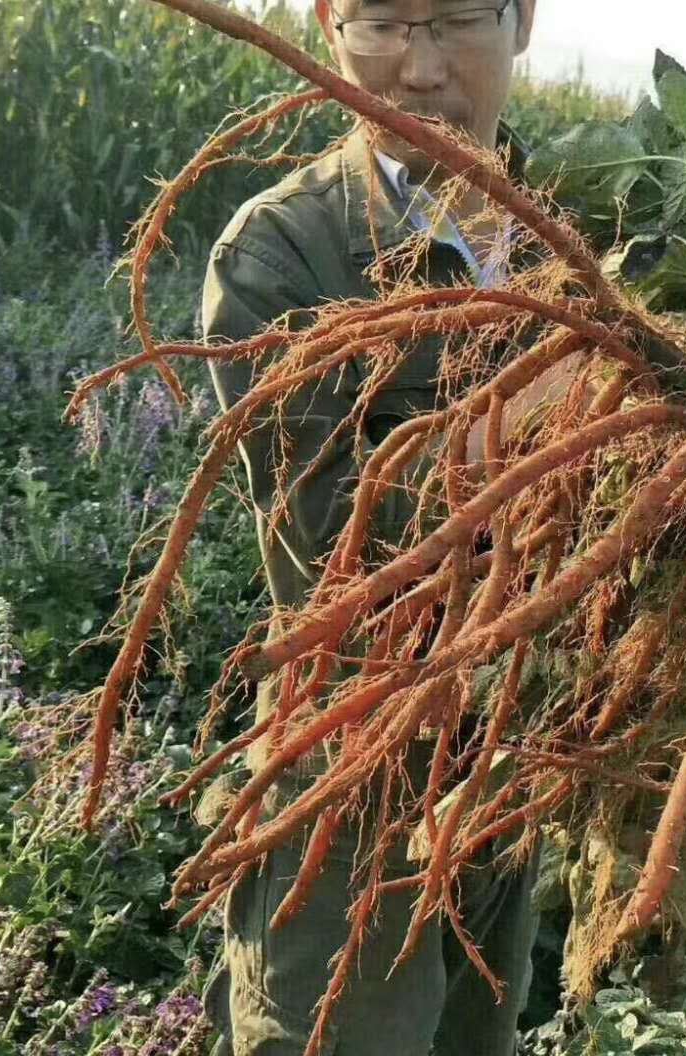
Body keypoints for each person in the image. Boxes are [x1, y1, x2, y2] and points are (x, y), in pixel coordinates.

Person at [200, 2, 560, 1053]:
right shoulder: (280, 255)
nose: (419, 70)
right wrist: (545, 430)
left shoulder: (584, 235)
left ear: (523, 18)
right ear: (327, 24)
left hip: (506, 783)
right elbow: (332, 548)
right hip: (348, 787)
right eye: (385, 23)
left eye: (455, 21)